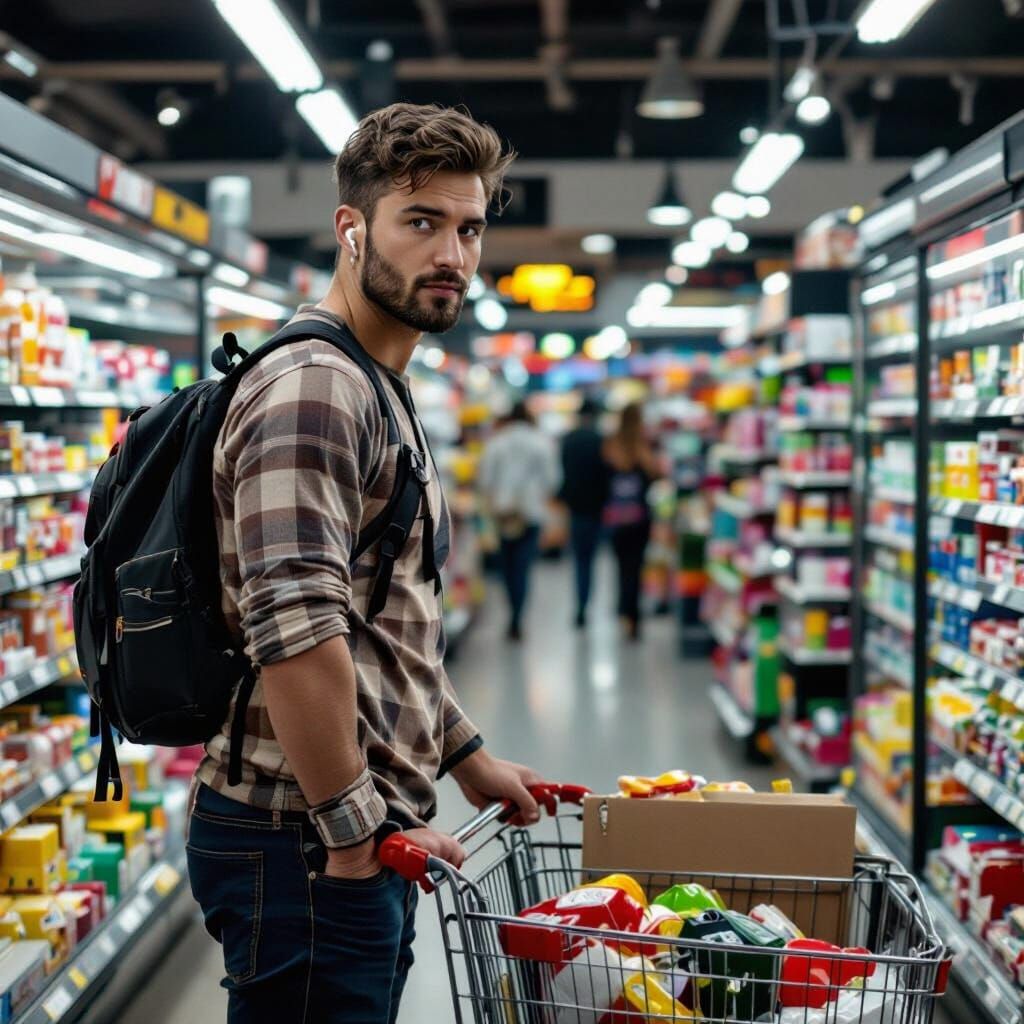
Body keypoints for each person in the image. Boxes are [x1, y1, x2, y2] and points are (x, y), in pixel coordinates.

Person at [187, 103, 544, 1024]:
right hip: (301, 835)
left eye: (469, 228)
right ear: (353, 230)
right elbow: (297, 628)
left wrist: (465, 756)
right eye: (420, 223)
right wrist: (352, 835)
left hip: (355, 824)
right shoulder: (317, 387)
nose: (453, 255)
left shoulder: (382, 383)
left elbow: (384, 614)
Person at [478, 400, 561, 641]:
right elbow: (553, 480)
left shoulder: (497, 442)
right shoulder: (541, 442)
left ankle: (511, 612)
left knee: (507, 566)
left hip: (503, 513)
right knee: (523, 567)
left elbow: (485, 479)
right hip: (531, 513)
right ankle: (518, 616)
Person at [603, 401, 660, 641]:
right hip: (640, 519)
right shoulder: (644, 448)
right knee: (635, 568)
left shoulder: (610, 448)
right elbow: (654, 479)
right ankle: (633, 615)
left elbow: (602, 483)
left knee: (621, 567)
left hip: (616, 519)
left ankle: (624, 611)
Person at [559, 396, 609, 627]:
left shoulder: (568, 440)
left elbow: (562, 475)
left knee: (579, 560)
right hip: (597, 509)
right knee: (590, 559)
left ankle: (580, 605)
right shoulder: (601, 441)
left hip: (575, 508)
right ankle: (586, 603)